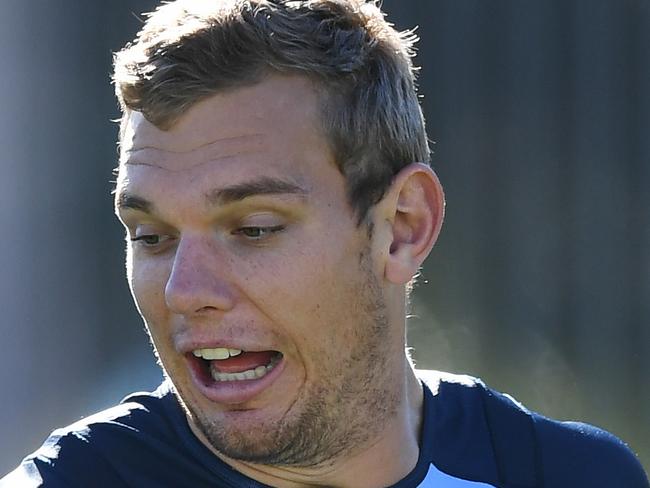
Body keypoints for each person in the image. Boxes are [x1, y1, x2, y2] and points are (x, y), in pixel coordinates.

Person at [2, 1, 648, 487]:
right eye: (152, 236)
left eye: (254, 229)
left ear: (402, 228)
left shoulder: (559, 474)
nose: (185, 290)